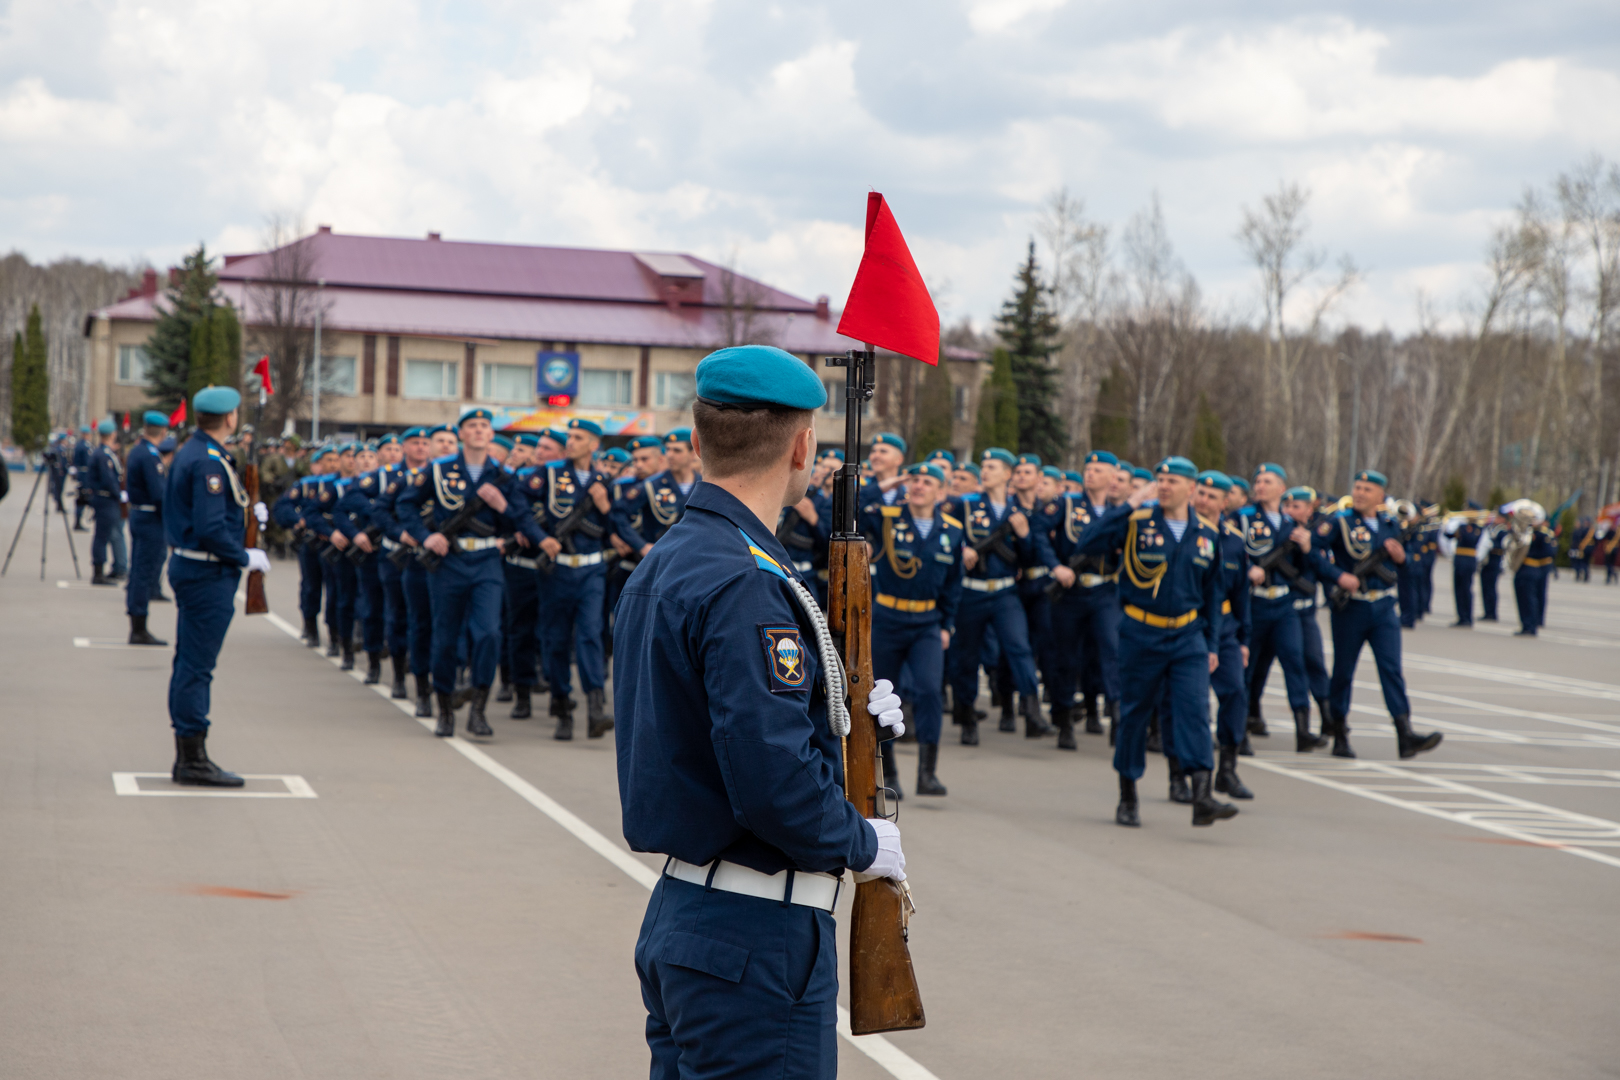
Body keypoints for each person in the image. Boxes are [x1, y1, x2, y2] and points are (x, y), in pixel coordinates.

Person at [613, 344, 906, 1080]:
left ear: (698, 437)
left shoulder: (676, 558)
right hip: (755, 939)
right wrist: (864, 843)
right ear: (803, 443)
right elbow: (771, 777)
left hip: (690, 916)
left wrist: (837, 706)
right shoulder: (745, 581)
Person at [1076, 456, 1235, 828]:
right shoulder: (1136, 522)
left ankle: (1201, 794)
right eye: (1160, 479)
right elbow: (1088, 542)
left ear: (1191, 489)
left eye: (1173, 480)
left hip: (1188, 635)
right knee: (1135, 714)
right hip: (1141, 631)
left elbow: (1213, 595)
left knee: (1195, 710)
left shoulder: (1207, 535)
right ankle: (1127, 794)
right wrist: (1129, 504)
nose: (1164, 485)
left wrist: (1212, 645)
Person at [396, 408, 543, 737]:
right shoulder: (438, 469)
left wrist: (502, 507)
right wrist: (425, 536)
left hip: (488, 561)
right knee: (446, 637)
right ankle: (445, 709)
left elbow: (521, 518)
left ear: (491, 435)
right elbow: (406, 505)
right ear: (461, 435)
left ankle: (478, 708)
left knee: (489, 633)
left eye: (484, 426)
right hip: (449, 562)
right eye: (472, 426)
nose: (478, 430)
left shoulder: (503, 475)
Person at [164, 387, 272, 787]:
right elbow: (209, 528)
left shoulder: (197, 452)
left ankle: (189, 752)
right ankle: (192, 758)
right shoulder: (209, 461)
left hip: (197, 569)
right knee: (196, 667)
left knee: (190, 664)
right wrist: (245, 557)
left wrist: (246, 509)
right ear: (230, 418)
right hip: (206, 573)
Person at [1308, 470, 1443, 759]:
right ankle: (1340, 734)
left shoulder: (1391, 524)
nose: (1359, 493)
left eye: (1366, 489)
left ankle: (1404, 733)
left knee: (1391, 670)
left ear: (1381, 496)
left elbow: (1409, 568)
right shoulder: (1339, 522)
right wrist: (1338, 576)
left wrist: (1401, 558)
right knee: (1344, 672)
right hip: (1351, 606)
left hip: (1383, 607)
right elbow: (1313, 552)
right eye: (1357, 487)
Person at [863, 461, 964, 797]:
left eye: (926, 481)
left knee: (929, 690)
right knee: (884, 695)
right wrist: (888, 482)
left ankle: (928, 772)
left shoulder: (952, 530)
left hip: (927, 623)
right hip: (889, 618)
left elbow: (953, 583)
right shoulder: (888, 518)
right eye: (914, 480)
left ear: (941, 491)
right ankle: (889, 772)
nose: (918, 486)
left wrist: (947, 623)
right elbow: (855, 504)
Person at [523, 418, 615, 738]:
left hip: (592, 568)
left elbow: (615, 526)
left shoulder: (603, 479)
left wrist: (605, 506)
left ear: (593, 445)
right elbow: (520, 504)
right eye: (570, 436)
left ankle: (595, 708)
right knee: (557, 639)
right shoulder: (549, 474)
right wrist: (539, 535)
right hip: (558, 568)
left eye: (578, 437)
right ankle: (562, 705)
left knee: (590, 634)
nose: (570, 441)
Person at [949, 448, 1041, 744]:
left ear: (1007, 474)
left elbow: (1028, 559)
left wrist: (1025, 535)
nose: (985, 471)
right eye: (984, 466)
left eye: (992, 467)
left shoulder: (1019, 511)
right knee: (967, 658)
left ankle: (1032, 708)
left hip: (1004, 592)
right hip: (971, 593)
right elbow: (948, 535)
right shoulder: (966, 504)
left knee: (1019, 647)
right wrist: (961, 549)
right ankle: (966, 716)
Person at [1242, 465, 1324, 752]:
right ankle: (1238, 730)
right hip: (1254, 601)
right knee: (1246, 667)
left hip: (1284, 603)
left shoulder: (1291, 526)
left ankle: (1303, 730)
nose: (1260, 485)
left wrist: (1306, 548)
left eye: (1267, 481)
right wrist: (1247, 570)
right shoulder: (1244, 518)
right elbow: (1229, 551)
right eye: (1258, 481)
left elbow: (1307, 569)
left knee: (1294, 662)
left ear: (1281, 488)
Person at [1044, 450, 1122, 744]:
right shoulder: (1067, 504)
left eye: (1098, 470)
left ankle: (1117, 717)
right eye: (1088, 469)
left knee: (1112, 652)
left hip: (1105, 590)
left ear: (1113, 476)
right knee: (1066, 658)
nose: (1091, 474)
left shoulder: (1120, 510)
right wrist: (1055, 566)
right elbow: (1040, 532)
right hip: (1071, 591)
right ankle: (1064, 720)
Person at [1197, 471, 1254, 800]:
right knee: (1189, 702)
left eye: (1211, 495)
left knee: (1234, 692)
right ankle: (1182, 773)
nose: (1203, 500)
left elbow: (1241, 594)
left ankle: (1228, 769)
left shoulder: (1232, 541)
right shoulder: (1187, 532)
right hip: (1192, 623)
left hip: (1226, 627)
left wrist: (1244, 639)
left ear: (1224, 502)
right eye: (1200, 493)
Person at [125, 411, 172, 644]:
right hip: (150, 519)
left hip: (139, 515)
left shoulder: (138, 451)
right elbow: (159, 494)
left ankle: (137, 621)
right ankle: (139, 627)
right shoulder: (150, 456)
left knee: (138, 571)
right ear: (163, 432)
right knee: (144, 573)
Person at [85, 418, 128, 585]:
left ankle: (111, 568)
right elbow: (108, 479)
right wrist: (119, 495)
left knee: (104, 535)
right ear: (112, 434)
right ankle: (98, 573)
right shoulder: (103, 455)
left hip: (105, 499)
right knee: (102, 537)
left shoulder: (105, 453)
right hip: (106, 499)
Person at [1512, 506, 1558, 637]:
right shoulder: (1524, 532)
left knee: (1530, 598)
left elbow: (1549, 552)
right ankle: (1525, 624)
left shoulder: (1543, 534)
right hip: (1521, 568)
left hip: (1534, 569)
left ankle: (1532, 625)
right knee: (1521, 598)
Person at [1441, 502, 1485, 627]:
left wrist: (1463, 526)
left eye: (1469, 510)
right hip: (1459, 559)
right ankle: (1461, 616)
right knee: (1458, 589)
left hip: (1469, 559)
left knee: (1466, 589)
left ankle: (1467, 617)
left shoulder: (1477, 528)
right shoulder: (1461, 526)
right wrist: (1446, 524)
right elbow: (1449, 536)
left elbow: (1470, 539)